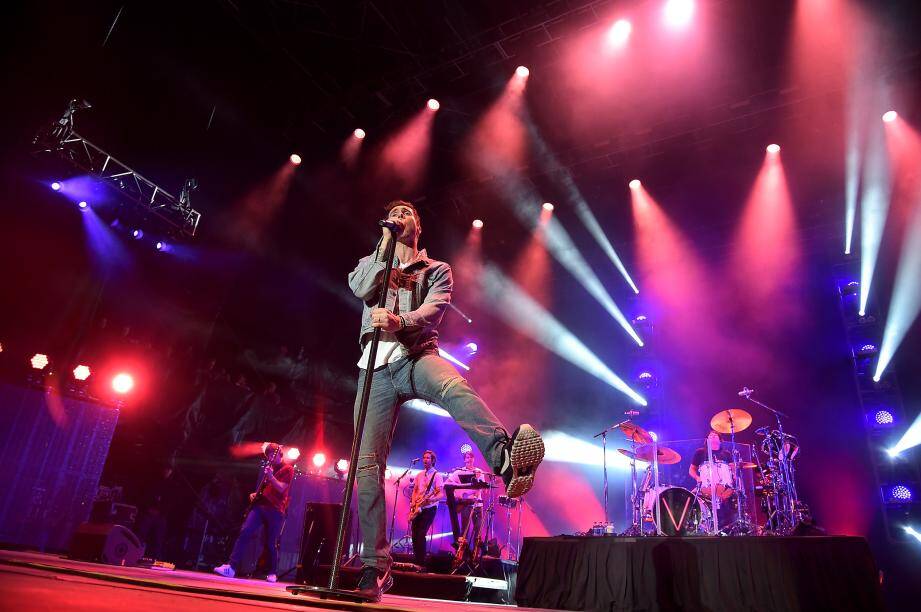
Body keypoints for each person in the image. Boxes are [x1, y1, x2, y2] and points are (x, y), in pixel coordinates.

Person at [347, 200, 544, 601]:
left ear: (418, 226)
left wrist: (400, 321)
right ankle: (374, 566)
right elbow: (361, 288)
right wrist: (384, 249)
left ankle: (506, 459)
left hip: (416, 355)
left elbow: (434, 310)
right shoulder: (372, 259)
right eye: (393, 213)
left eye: (407, 213)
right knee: (366, 466)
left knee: (453, 387)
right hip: (373, 372)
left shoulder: (436, 269)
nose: (399, 217)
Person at [214, 443, 293, 582]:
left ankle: (273, 572)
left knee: (270, 542)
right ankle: (231, 567)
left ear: (279, 454)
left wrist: (270, 476)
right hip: (260, 506)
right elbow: (267, 489)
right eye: (268, 455)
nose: (270, 458)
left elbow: (281, 488)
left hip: (275, 510)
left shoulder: (288, 469)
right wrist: (255, 494)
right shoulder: (270, 468)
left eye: (272, 455)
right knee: (245, 532)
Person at [444, 449, 485, 553]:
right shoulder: (459, 472)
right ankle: (463, 554)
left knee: (478, 531)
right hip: (465, 505)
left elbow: (481, 487)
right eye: (467, 457)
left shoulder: (479, 472)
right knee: (464, 530)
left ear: (474, 459)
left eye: (471, 457)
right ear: (464, 460)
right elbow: (447, 483)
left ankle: (476, 554)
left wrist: (474, 495)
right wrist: (457, 493)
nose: (469, 459)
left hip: (477, 505)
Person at [407, 450, 443, 569]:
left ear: (433, 460)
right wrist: (413, 503)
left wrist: (430, 500)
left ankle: (421, 563)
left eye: (428, 458)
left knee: (421, 534)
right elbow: (415, 491)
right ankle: (416, 560)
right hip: (417, 507)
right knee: (414, 534)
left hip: (429, 508)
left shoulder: (437, 475)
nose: (425, 460)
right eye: (424, 458)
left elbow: (440, 494)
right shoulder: (419, 475)